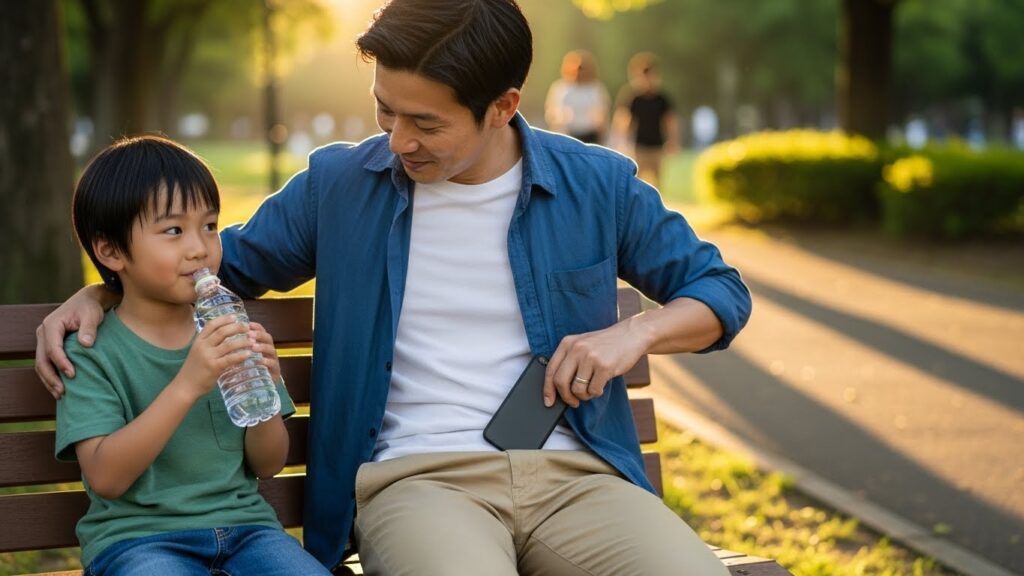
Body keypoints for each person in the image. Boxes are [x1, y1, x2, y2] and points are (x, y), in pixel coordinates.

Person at [37, 1, 751, 574]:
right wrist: (98, 293)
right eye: (386, 110)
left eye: (426, 122)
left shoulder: (594, 184)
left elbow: (719, 292)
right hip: (420, 483)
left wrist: (635, 332)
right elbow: (208, 266)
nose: (398, 139)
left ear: (503, 106)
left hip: (577, 479)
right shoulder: (343, 185)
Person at [54, 136, 331, 576]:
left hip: (248, 532)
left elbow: (269, 463)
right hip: (139, 541)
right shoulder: (93, 352)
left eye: (209, 226)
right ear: (110, 250)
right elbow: (106, 478)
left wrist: (260, 394)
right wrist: (188, 384)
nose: (200, 248)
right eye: (173, 231)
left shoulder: (230, 332)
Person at [612, 52, 681, 188]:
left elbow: (670, 121)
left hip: (657, 146)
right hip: (639, 147)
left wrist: (673, 141)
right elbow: (624, 120)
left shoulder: (662, 98)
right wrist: (622, 141)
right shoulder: (633, 98)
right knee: (637, 183)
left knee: (658, 184)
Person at [544, 49, 610, 144]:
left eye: (582, 68)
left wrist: (602, 134)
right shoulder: (560, 89)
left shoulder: (596, 89)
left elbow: (602, 114)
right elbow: (552, 112)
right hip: (567, 134)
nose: (579, 72)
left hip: (590, 135)